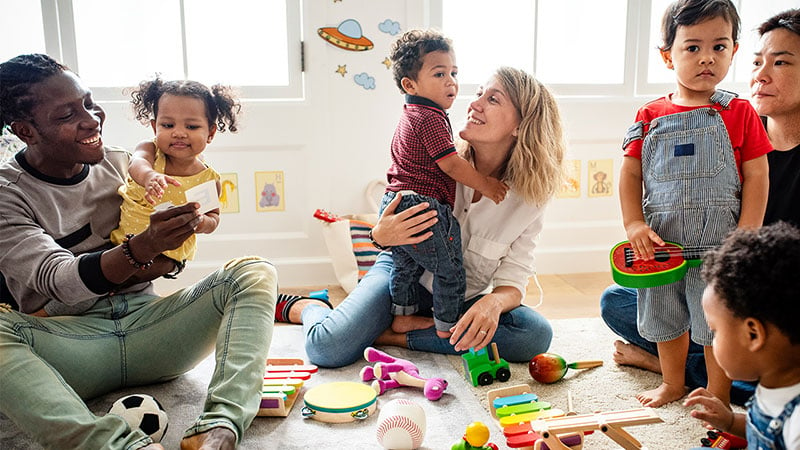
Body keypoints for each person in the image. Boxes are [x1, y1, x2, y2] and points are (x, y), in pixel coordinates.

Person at [0, 54, 277, 450]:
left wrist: (183, 234)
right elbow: (59, 280)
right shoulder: (7, 194)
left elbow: (172, 257)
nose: (92, 119)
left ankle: (220, 429)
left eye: (89, 102)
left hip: (151, 328)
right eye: (67, 115)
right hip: (72, 344)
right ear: (26, 130)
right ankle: (119, 445)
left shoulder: (121, 164)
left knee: (254, 270)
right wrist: (143, 249)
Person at [276, 66, 565, 368]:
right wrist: (380, 235)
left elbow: (514, 278)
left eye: (493, 100)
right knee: (326, 348)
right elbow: (386, 223)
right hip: (402, 277)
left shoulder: (530, 198)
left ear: (520, 125)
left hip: (459, 299)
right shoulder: (438, 157)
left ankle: (392, 337)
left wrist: (493, 302)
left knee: (533, 335)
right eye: (479, 93)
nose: (474, 103)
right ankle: (308, 306)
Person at [601, 7, 800, 408]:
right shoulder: (651, 115)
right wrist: (634, 223)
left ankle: (715, 388)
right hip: (665, 253)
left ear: (730, 51)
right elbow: (630, 173)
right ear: (668, 56)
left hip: (727, 260)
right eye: (693, 47)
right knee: (638, 309)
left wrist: (745, 235)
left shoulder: (737, 112)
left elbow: (756, 178)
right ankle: (674, 378)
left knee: (717, 327)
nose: (707, 57)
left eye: (719, 47)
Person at [381, 29, 507, 339]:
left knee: (405, 266)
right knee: (450, 269)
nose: (451, 81)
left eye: (453, 72)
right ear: (410, 85)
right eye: (439, 73)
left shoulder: (411, 113)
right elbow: (450, 164)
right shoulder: (430, 116)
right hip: (420, 204)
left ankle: (403, 316)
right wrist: (487, 185)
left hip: (396, 199)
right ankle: (448, 326)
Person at [683, 222, 800, 450]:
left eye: (714, 331)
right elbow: (763, 427)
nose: (712, 341)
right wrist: (729, 421)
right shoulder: (776, 380)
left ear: (753, 334)